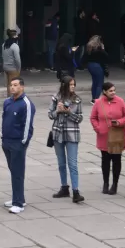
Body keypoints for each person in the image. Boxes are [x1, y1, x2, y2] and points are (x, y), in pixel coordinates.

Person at [0, 76, 35, 213]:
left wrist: (23, 142)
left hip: (18, 142)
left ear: (22, 87)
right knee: (13, 171)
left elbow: (27, 126)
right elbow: (4, 120)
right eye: (11, 85)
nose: (12, 87)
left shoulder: (26, 104)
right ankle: (19, 197)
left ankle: (18, 203)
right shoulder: (7, 102)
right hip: (6, 141)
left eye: (15, 85)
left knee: (18, 172)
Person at [48, 75, 84, 203]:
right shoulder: (56, 98)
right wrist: (57, 111)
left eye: (74, 84)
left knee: (72, 164)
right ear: (64, 85)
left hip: (72, 133)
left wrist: (69, 112)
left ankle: (76, 191)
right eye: (70, 84)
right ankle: (64, 187)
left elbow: (79, 118)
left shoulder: (77, 100)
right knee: (61, 163)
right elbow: (50, 115)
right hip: (58, 133)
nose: (73, 87)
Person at [89, 81, 125, 196]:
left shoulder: (120, 101)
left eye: (114, 90)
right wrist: (98, 128)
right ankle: (105, 183)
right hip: (104, 136)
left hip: (117, 135)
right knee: (105, 160)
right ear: (104, 92)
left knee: (116, 160)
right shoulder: (98, 102)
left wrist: (120, 122)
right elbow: (93, 117)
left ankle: (115, 184)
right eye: (110, 91)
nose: (113, 93)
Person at [84, 35, 108, 102]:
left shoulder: (89, 47)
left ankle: (93, 98)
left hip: (90, 65)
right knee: (100, 83)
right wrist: (103, 49)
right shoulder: (99, 48)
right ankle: (96, 99)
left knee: (95, 82)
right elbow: (106, 56)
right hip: (97, 66)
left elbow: (84, 57)